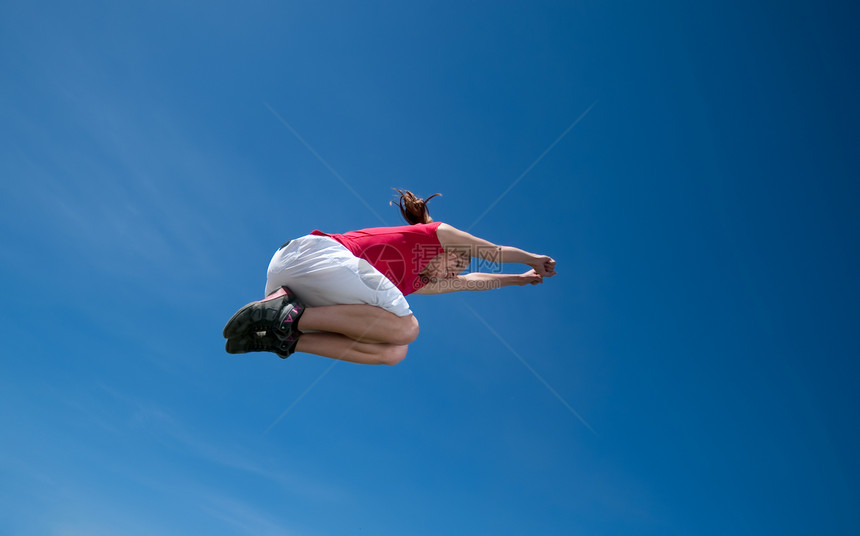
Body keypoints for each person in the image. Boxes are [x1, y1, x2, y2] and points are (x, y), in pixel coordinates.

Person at [222, 189, 557, 365]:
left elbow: (475, 282)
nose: (455, 273)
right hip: (312, 255)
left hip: (297, 285)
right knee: (408, 328)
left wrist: (520, 278)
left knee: (394, 352)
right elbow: (492, 252)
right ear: (446, 249)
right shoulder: (432, 234)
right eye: (456, 263)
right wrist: (532, 258)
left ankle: (283, 337)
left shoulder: (419, 282)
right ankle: (290, 316)